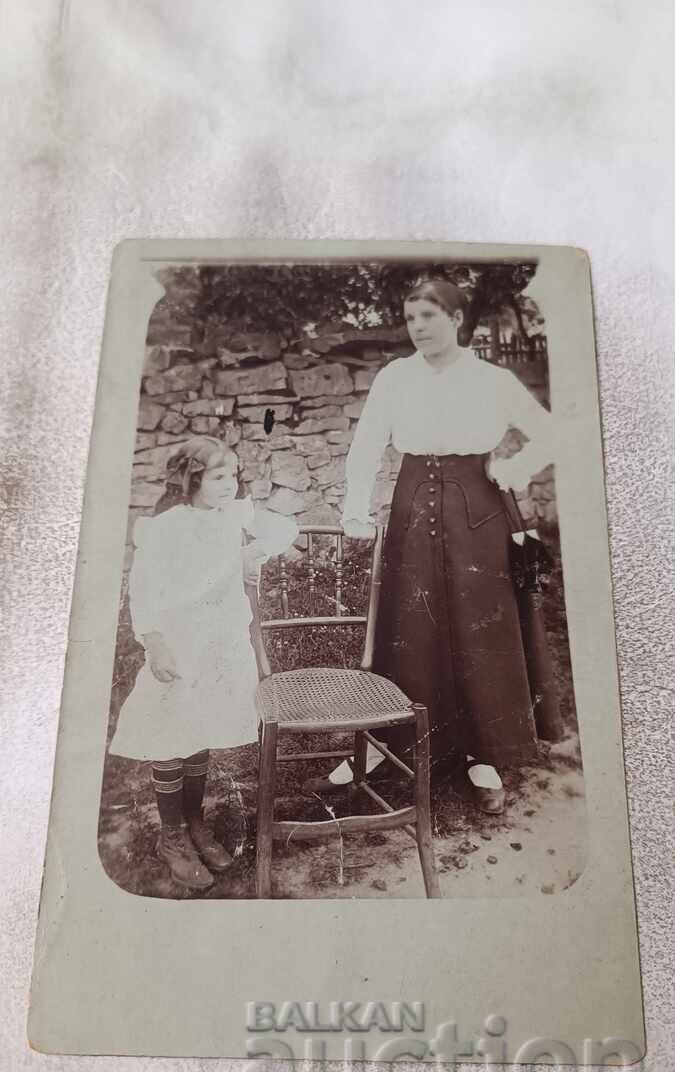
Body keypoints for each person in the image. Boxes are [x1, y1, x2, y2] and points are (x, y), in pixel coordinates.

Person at [310, 276, 557, 814]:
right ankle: (386, 743)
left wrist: (512, 469)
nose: (418, 327)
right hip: (412, 504)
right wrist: (354, 509)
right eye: (411, 317)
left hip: (480, 510)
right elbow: (367, 443)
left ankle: (483, 755)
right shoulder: (395, 377)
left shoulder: (492, 378)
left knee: (479, 625)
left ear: (457, 319)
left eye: (429, 316)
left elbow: (554, 431)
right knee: (409, 625)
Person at [109, 436, 297, 890]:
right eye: (217, 477)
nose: (229, 485)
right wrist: (154, 643)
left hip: (222, 643)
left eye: (232, 476)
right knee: (172, 732)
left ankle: (195, 824)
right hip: (179, 642)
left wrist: (253, 552)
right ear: (192, 479)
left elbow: (283, 529)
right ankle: (171, 836)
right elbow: (145, 591)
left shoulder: (233, 514)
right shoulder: (164, 528)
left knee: (202, 727)